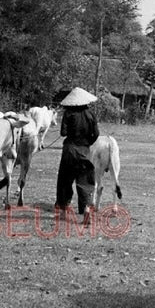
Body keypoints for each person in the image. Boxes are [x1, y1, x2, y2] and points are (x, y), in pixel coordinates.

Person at [55, 87, 100, 218]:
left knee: (65, 180)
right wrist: (87, 143)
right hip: (84, 150)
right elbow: (96, 134)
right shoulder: (91, 115)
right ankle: (86, 209)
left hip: (69, 150)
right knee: (85, 181)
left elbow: (63, 133)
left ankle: (63, 211)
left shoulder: (68, 114)